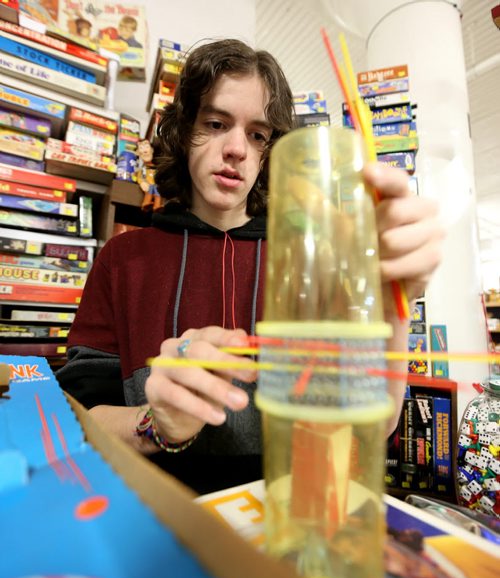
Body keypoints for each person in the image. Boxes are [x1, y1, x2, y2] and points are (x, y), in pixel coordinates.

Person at [56, 38, 444, 494]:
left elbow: (373, 423)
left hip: (290, 518)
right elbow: (75, 419)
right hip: (157, 520)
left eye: (257, 135)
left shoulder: (310, 258)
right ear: (183, 132)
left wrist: (397, 299)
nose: (237, 148)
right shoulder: (123, 259)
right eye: (216, 123)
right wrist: (156, 424)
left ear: (269, 152)